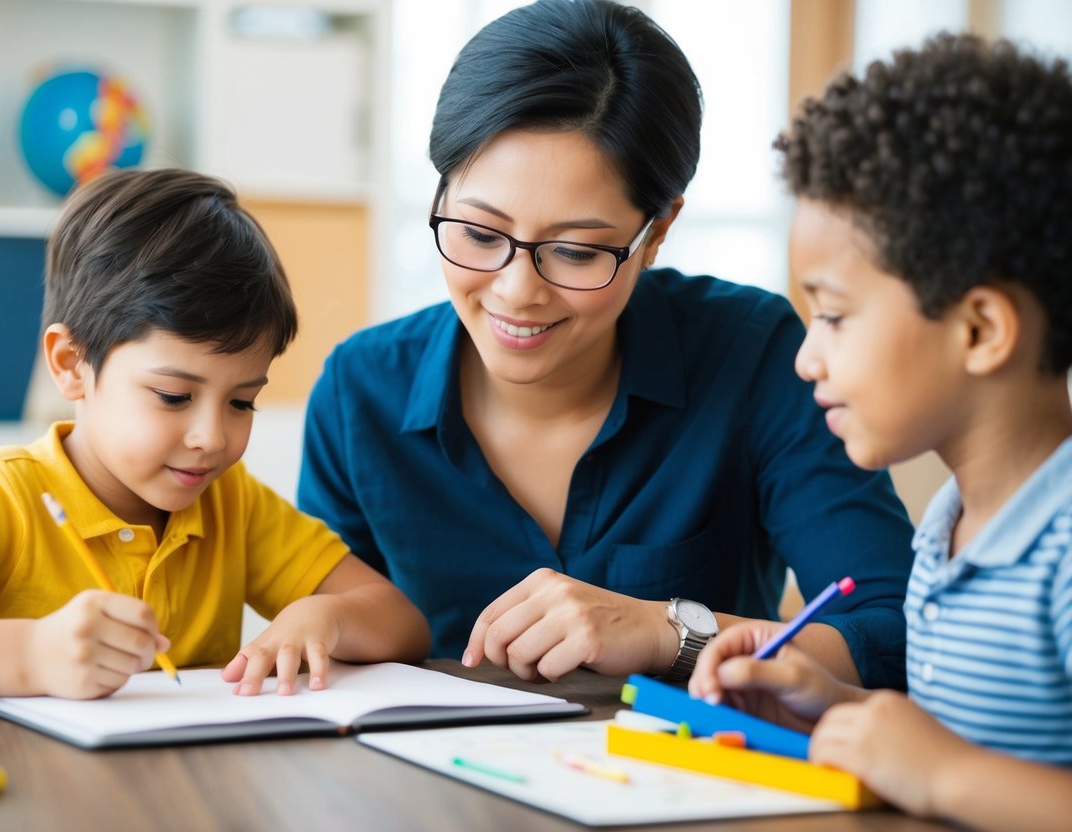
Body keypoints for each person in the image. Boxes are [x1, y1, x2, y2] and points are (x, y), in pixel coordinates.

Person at [298, 0, 914, 691]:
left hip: (693, 783)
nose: (515, 290)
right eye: (477, 233)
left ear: (655, 233)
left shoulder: (751, 355)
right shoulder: (360, 392)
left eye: (574, 251)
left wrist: (663, 632)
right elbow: (337, 650)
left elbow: (895, 632)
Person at [0, 168, 430, 705]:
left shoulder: (234, 503)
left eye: (242, 402)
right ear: (71, 364)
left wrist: (325, 618)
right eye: (174, 397)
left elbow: (402, 622)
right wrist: (31, 655)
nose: (211, 437)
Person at [689, 33, 1072, 830]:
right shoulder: (950, 529)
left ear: (978, 331)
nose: (803, 358)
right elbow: (968, 744)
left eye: (831, 315)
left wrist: (944, 774)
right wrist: (833, 711)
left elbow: (959, 770)